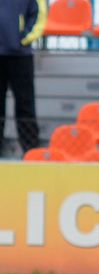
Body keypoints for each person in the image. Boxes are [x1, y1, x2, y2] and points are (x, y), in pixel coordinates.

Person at [0, 0, 46, 158]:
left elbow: (39, 14)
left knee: (25, 103)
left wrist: (22, 40)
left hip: (21, 56)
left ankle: (31, 149)